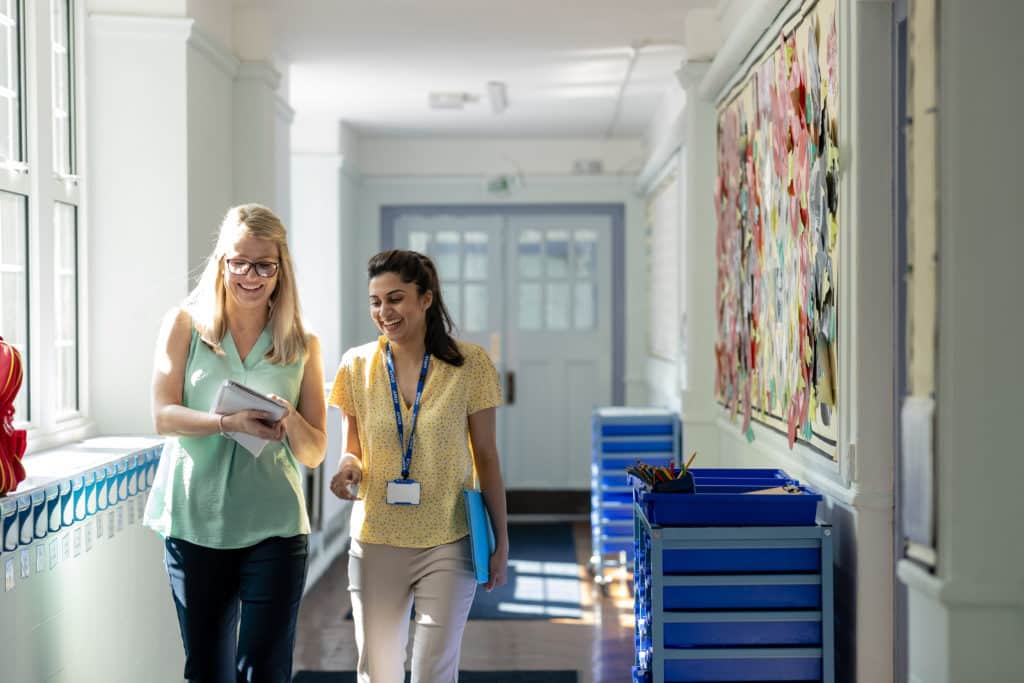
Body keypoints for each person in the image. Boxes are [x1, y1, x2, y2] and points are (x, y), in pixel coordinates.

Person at [143, 204, 327, 683]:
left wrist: (288, 418)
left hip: (274, 524)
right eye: (239, 262)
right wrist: (227, 422)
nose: (250, 275)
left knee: (263, 670)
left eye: (264, 265)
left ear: (280, 270)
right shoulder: (184, 324)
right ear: (222, 262)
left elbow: (314, 452)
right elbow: (163, 416)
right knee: (208, 671)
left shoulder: (301, 343)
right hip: (194, 520)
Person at [328, 249, 509, 683]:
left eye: (395, 299)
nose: (384, 312)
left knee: (433, 672)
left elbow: (486, 457)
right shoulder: (356, 366)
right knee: (379, 672)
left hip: (448, 540)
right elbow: (351, 449)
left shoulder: (470, 365)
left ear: (425, 299)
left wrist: (501, 540)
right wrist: (348, 467)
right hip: (375, 540)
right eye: (375, 301)